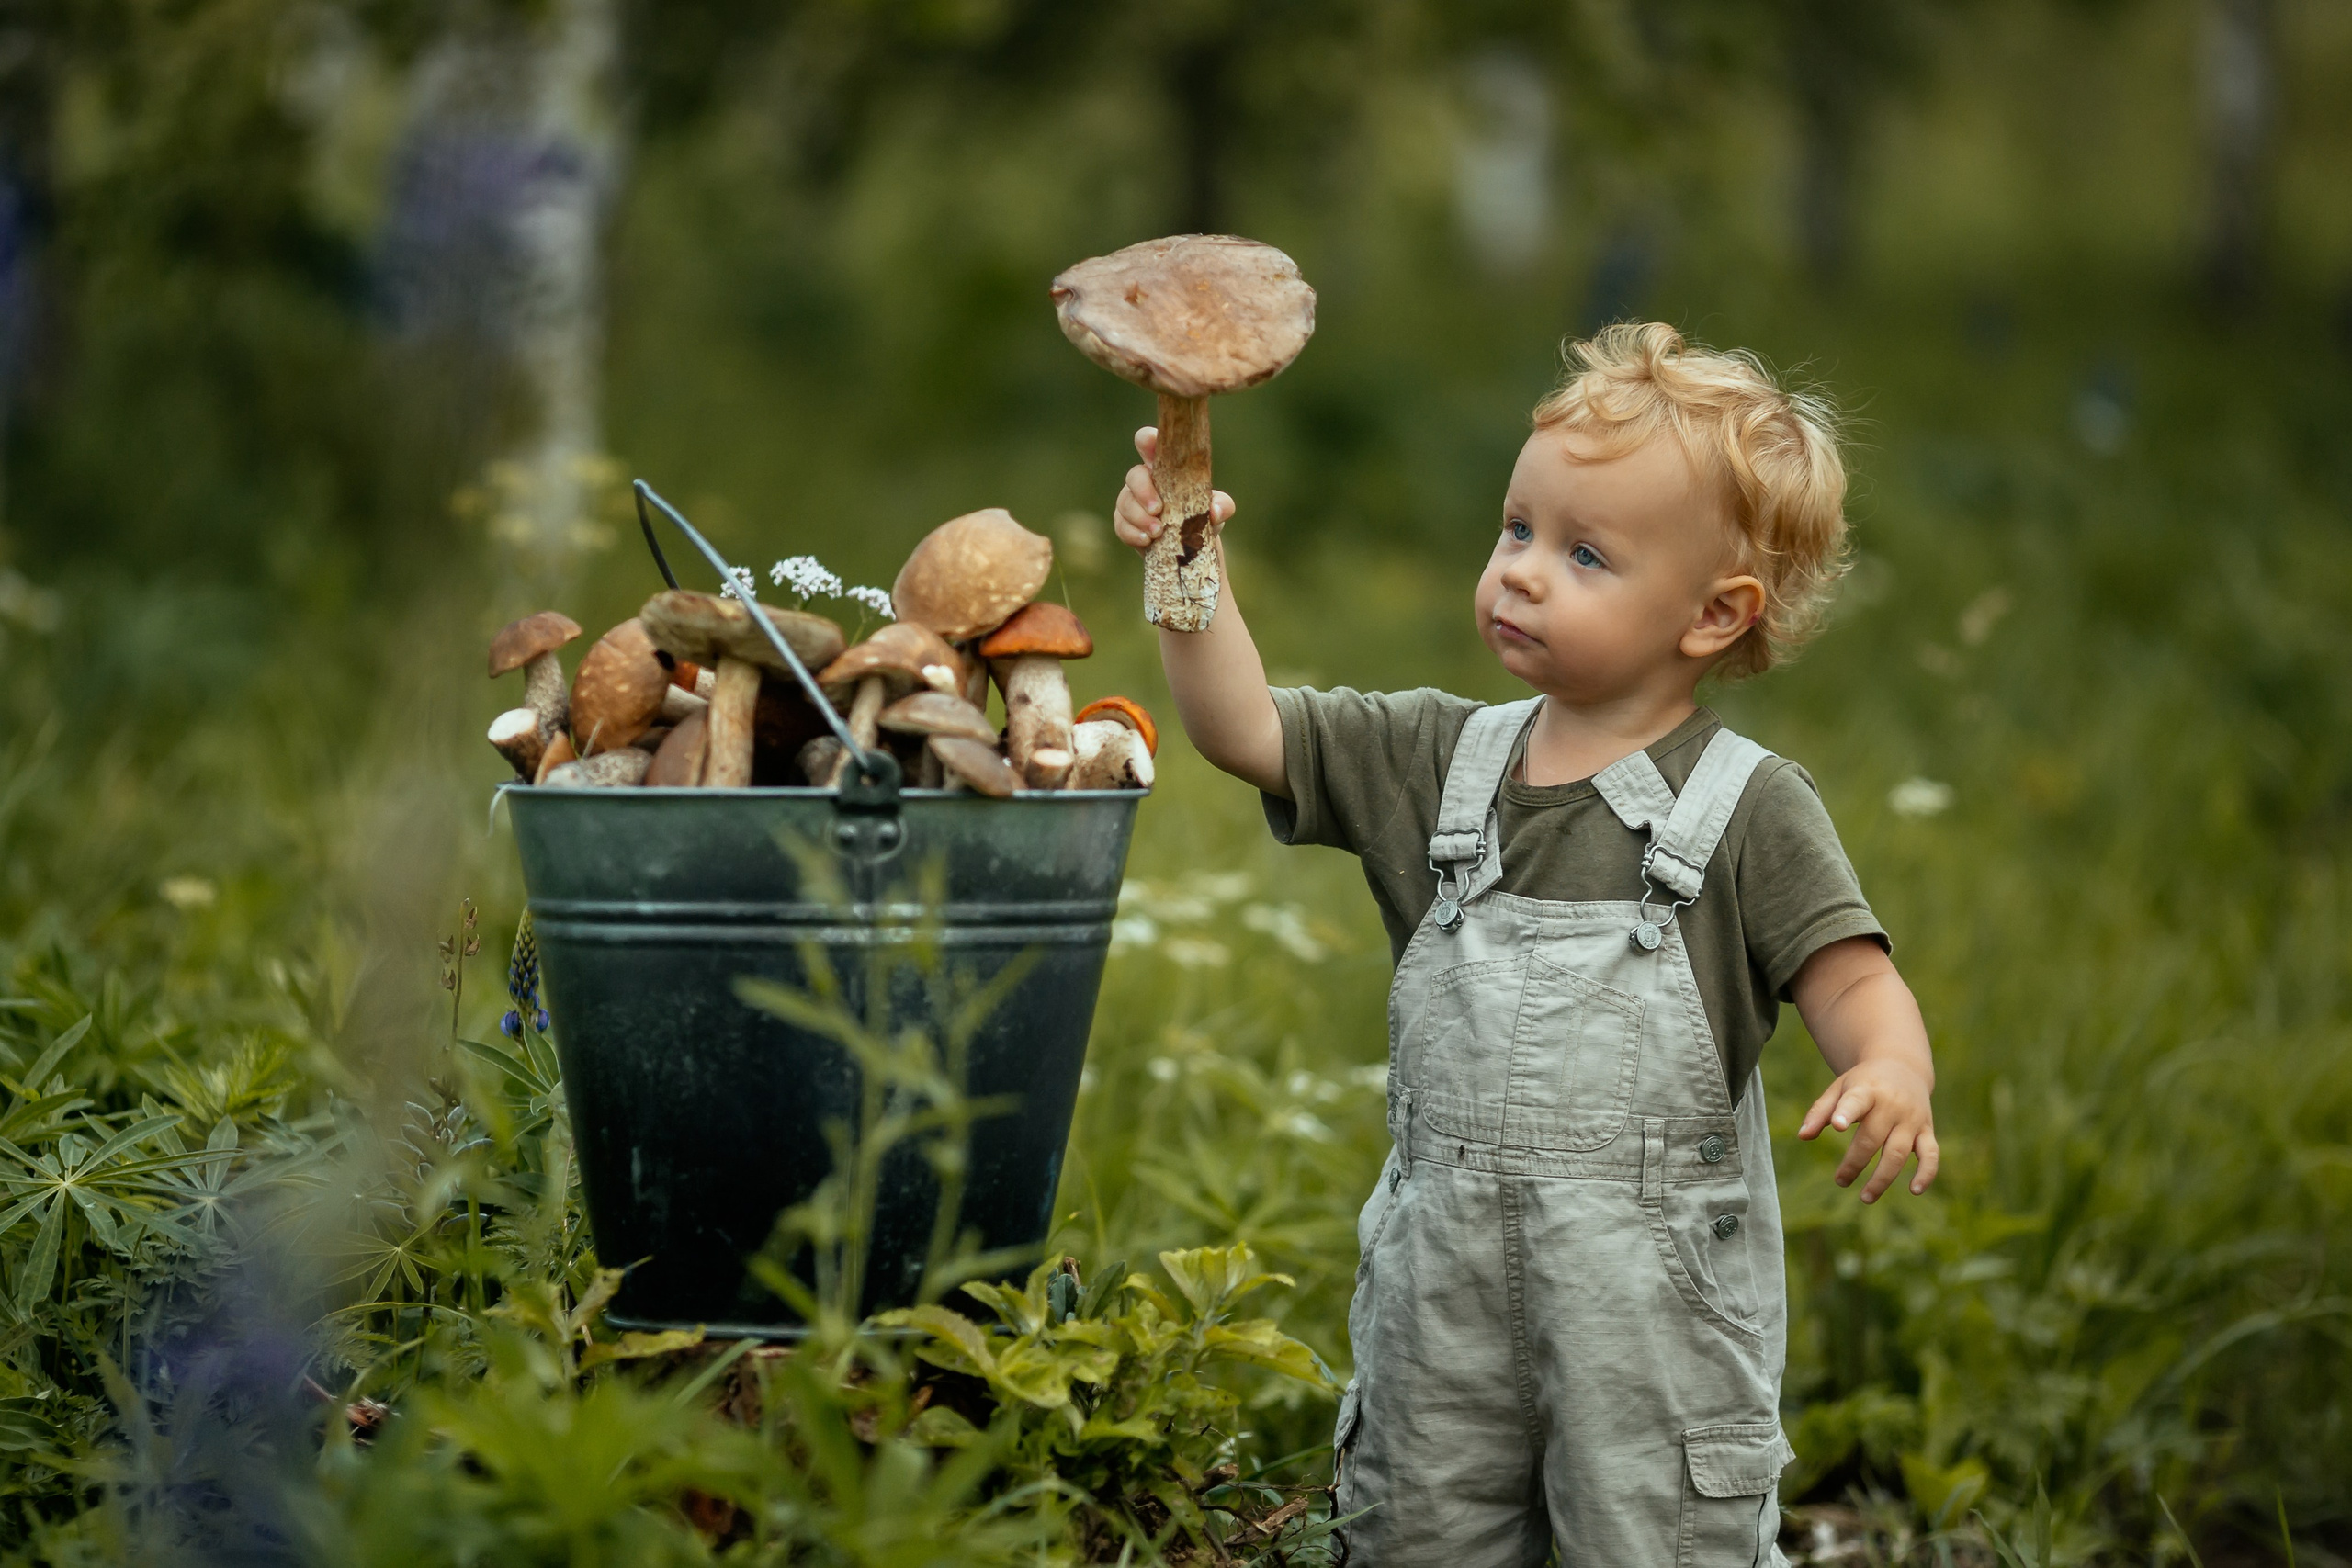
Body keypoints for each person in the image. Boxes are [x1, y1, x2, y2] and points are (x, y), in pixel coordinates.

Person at [1108, 321, 1939, 1567]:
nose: (1524, 572)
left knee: (1653, 1542)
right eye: (1516, 530)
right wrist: (1186, 561)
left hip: (1649, 1338)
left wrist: (1890, 1070)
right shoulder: (1441, 760)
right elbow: (1242, 730)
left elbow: (1854, 979)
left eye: (1585, 554)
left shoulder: (1750, 809)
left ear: (1715, 615)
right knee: (1417, 1534)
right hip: (1441, 1325)